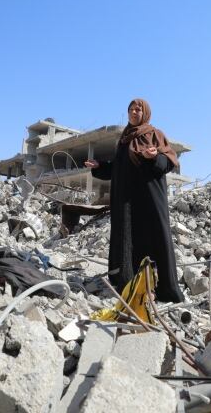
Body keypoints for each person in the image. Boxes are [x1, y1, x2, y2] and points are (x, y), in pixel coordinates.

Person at [85, 99, 184, 303]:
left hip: (148, 199)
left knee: (154, 236)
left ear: (146, 112)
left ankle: (163, 288)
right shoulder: (124, 139)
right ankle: (128, 282)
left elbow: (168, 163)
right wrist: (99, 166)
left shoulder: (154, 134)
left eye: (138, 109)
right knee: (127, 237)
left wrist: (154, 156)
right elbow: (119, 169)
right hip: (127, 202)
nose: (133, 112)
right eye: (130, 109)